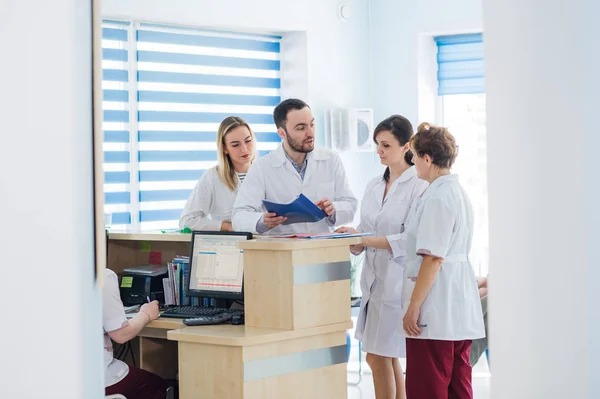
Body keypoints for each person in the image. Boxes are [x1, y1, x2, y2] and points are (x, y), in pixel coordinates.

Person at [336, 115, 428, 399]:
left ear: (406, 146)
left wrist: (364, 239)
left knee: (378, 358)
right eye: (377, 144)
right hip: (373, 283)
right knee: (386, 358)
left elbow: (409, 240)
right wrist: (354, 238)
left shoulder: (419, 186)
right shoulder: (374, 184)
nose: (379, 151)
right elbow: (368, 229)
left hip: (398, 284)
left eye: (386, 145)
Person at [398, 122, 485, 399]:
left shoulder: (437, 197)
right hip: (457, 307)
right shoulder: (457, 193)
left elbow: (433, 258)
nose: (413, 165)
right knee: (458, 385)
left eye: (414, 157)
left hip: (435, 309)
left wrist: (413, 308)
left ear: (428, 158)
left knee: (428, 386)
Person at [232, 98, 357, 234]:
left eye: (312, 124)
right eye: (301, 128)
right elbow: (239, 216)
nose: (310, 133)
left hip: (323, 249)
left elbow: (350, 204)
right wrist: (262, 220)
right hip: (284, 252)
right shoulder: (262, 168)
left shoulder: (331, 160)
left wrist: (333, 209)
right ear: (282, 133)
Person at [179, 116, 257, 231]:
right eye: (236, 145)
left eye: (248, 141)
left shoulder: (267, 172)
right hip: (230, 245)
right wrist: (226, 226)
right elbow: (187, 222)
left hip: (267, 244)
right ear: (224, 149)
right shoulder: (213, 177)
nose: (244, 149)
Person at [103, 268, 166, 399]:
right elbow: (121, 335)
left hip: (56, 380)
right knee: (156, 386)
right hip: (96, 380)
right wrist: (146, 314)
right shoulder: (101, 276)